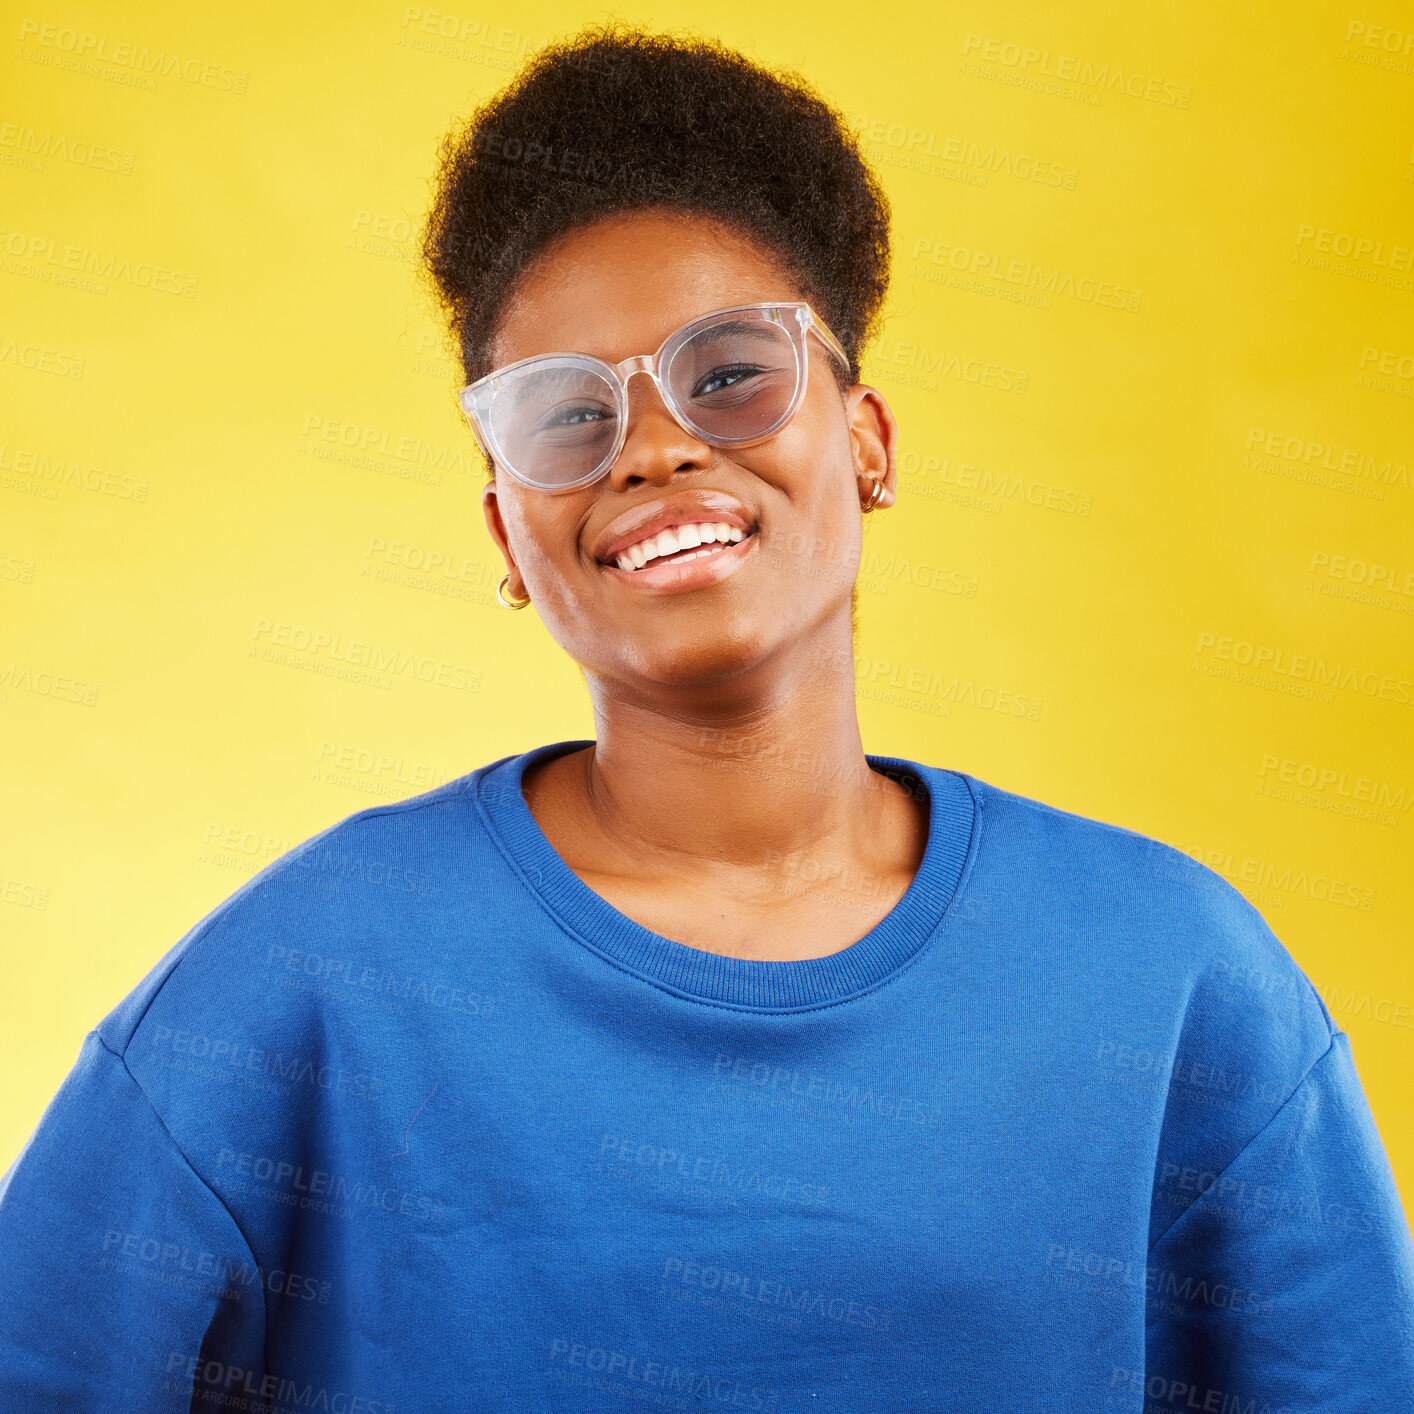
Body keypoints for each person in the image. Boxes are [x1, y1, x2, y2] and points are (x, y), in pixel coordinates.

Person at [2, 22, 1411, 1412]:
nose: (657, 446)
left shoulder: (1169, 979)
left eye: (729, 371)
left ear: (865, 442)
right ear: (507, 529)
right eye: (565, 417)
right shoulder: (306, 977)